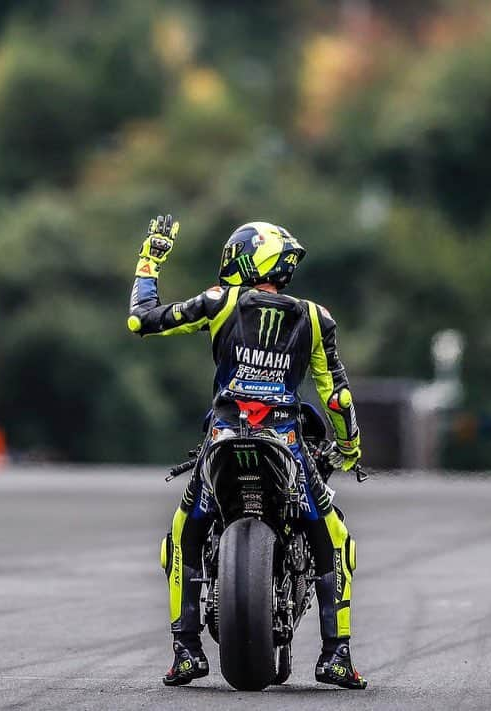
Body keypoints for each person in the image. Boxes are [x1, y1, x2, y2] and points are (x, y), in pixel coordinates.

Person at [126, 214, 367, 690]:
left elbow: (142, 319)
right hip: (287, 441)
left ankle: (187, 651)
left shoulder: (221, 302)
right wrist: (350, 449)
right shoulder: (316, 318)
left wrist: (150, 258)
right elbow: (336, 397)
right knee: (334, 536)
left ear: (243, 260)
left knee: (182, 530)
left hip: (222, 437)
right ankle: (336, 655)